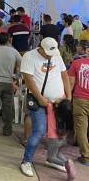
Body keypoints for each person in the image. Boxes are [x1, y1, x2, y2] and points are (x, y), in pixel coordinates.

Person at [20, 37, 71, 178]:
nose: (50, 56)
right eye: (48, 53)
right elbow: (29, 80)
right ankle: (26, 161)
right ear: (41, 48)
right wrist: (40, 98)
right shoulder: (29, 56)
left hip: (59, 102)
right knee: (39, 130)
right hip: (39, 102)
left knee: (60, 131)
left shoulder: (56, 55)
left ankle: (52, 157)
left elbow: (64, 75)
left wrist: (68, 96)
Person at [68, 39, 89, 165]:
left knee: (81, 130)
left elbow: (71, 83)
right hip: (81, 99)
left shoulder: (76, 63)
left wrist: (67, 97)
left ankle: (86, 157)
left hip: (80, 99)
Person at [45, 99, 75, 175]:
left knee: (51, 157)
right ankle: (68, 163)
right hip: (64, 138)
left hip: (54, 139)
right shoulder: (68, 116)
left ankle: (66, 164)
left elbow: (45, 102)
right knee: (57, 153)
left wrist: (55, 100)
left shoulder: (51, 108)